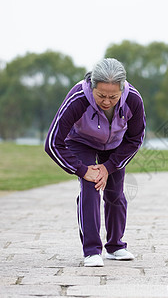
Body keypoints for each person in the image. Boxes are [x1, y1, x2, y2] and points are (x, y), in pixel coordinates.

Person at [45, 58, 146, 267]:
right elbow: (52, 142)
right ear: (92, 88)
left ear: (122, 89)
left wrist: (109, 167)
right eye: (101, 95)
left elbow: (135, 139)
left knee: (115, 193)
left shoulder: (133, 99)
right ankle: (92, 250)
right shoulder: (78, 99)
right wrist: (82, 170)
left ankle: (116, 246)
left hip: (115, 145)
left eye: (113, 96)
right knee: (90, 188)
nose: (107, 101)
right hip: (82, 142)